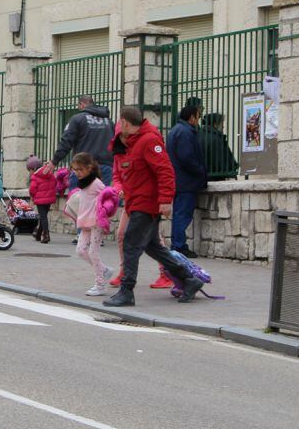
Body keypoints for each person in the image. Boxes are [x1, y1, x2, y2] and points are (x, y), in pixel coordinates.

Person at [103, 106, 203, 307]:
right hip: (138, 202)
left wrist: (165, 200)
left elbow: (165, 171)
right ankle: (190, 280)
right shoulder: (134, 142)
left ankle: (127, 291)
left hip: (146, 203)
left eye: (120, 122)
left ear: (125, 122)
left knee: (131, 243)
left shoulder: (148, 140)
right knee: (153, 247)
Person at [64, 153, 114, 296]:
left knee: (93, 252)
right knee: (80, 250)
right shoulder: (84, 182)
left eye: (80, 169)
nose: (77, 173)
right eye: (75, 169)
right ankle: (104, 270)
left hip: (96, 222)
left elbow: (108, 194)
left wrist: (105, 212)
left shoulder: (96, 183)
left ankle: (100, 284)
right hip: (85, 222)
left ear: (89, 168)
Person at [43, 95, 115, 185]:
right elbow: (115, 143)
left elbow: (66, 141)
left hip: (82, 166)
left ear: (82, 105)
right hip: (105, 166)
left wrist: (55, 161)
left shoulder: (78, 119)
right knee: (102, 197)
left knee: (77, 196)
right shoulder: (109, 122)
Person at [166, 104, 207, 258]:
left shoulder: (177, 130)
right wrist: (200, 170)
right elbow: (187, 157)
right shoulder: (185, 132)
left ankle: (178, 245)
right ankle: (178, 246)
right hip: (186, 181)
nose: (199, 120)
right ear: (191, 117)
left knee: (179, 214)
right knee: (182, 214)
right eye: (198, 116)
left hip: (179, 180)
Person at [26, 154, 55, 243]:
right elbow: (55, 182)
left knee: (43, 217)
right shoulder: (49, 173)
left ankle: (46, 235)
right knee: (44, 217)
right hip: (49, 199)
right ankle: (38, 234)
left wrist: (32, 196)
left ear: (34, 168)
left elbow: (32, 189)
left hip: (40, 199)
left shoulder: (35, 176)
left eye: (29, 170)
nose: (29, 172)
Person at [200, 112, 237, 181]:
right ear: (215, 124)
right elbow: (221, 161)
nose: (223, 127)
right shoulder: (216, 139)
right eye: (222, 123)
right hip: (215, 178)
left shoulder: (198, 135)